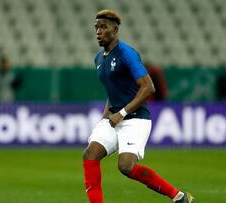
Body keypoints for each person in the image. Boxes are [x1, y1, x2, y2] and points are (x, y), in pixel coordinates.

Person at [82, 10, 194, 203]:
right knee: (90, 154)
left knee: (126, 166)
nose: (99, 32)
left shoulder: (127, 54)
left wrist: (123, 113)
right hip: (114, 118)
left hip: (136, 119)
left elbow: (149, 87)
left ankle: (179, 196)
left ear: (115, 30)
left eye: (104, 27)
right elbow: (114, 91)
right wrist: (105, 116)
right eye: (96, 27)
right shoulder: (98, 59)